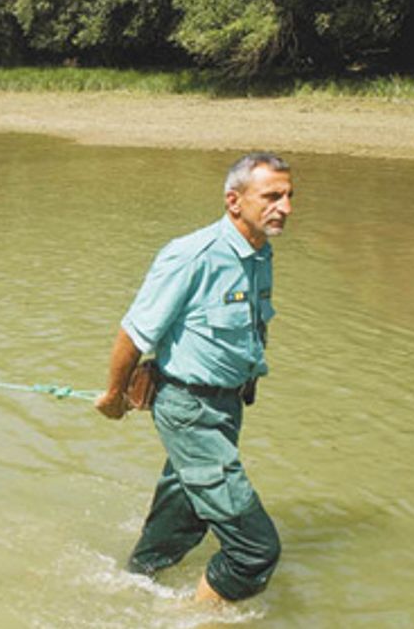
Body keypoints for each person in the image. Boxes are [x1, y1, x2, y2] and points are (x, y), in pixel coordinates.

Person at [94, 152, 294, 603]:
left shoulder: (260, 253)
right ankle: (192, 618)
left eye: (288, 196)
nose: (285, 207)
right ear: (234, 201)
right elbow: (134, 332)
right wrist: (114, 394)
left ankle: (128, 590)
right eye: (272, 196)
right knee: (254, 551)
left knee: (181, 521)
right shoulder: (192, 255)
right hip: (191, 411)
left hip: (225, 407)